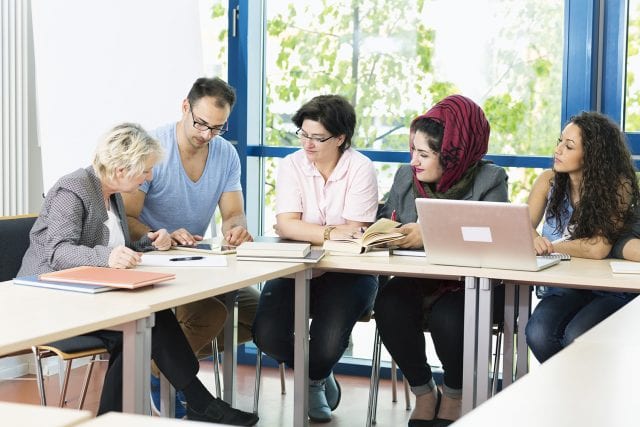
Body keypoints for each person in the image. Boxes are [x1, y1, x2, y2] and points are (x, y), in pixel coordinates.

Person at [17, 123, 258, 425]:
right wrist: (109, 257)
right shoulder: (73, 189)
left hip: (94, 295)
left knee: (149, 319)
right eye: (145, 170)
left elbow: (118, 244)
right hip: (53, 299)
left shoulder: (113, 193)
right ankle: (195, 401)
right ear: (120, 169)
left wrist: (149, 240)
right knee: (137, 331)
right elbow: (58, 252)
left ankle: (180, 404)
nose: (150, 177)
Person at [121, 77, 260, 414]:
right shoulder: (154, 149)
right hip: (152, 262)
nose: (206, 135)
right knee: (209, 314)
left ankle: (160, 364)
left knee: (261, 316)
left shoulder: (225, 154)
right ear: (185, 107)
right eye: (200, 123)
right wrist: (161, 234)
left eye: (217, 127)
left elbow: (233, 213)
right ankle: (165, 378)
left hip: (196, 263)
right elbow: (127, 218)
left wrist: (236, 230)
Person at [374, 95, 508, 427]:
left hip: (473, 285)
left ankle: (454, 394)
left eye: (424, 154)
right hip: (418, 278)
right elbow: (387, 215)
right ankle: (423, 391)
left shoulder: (490, 180)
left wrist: (428, 233)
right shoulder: (407, 178)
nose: (414, 161)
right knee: (388, 304)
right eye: (412, 151)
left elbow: (491, 237)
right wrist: (379, 229)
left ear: (452, 154)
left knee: (450, 317)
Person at [251, 95, 379, 422]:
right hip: (298, 265)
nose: (307, 144)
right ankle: (317, 373)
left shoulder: (360, 168)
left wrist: (308, 229)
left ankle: (315, 377)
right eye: (303, 134)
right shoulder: (291, 165)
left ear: (341, 138)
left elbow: (354, 231)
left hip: (349, 271)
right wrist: (326, 232)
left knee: (327, 342)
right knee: (266, 334)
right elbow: (285, 224)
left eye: (317, 138)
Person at [525, 111, 640, 363]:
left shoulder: (619, 187)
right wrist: (532, 237)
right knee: (538, 333)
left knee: (576, 336)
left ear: (593, 154)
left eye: (569, 146)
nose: (558, 150)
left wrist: (550, 246)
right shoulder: (548, 181)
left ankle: (583, 397)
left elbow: (598, 247)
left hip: (607, 290)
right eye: (559, 142)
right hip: (564, 287)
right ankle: (568, 396)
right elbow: (521, 226)